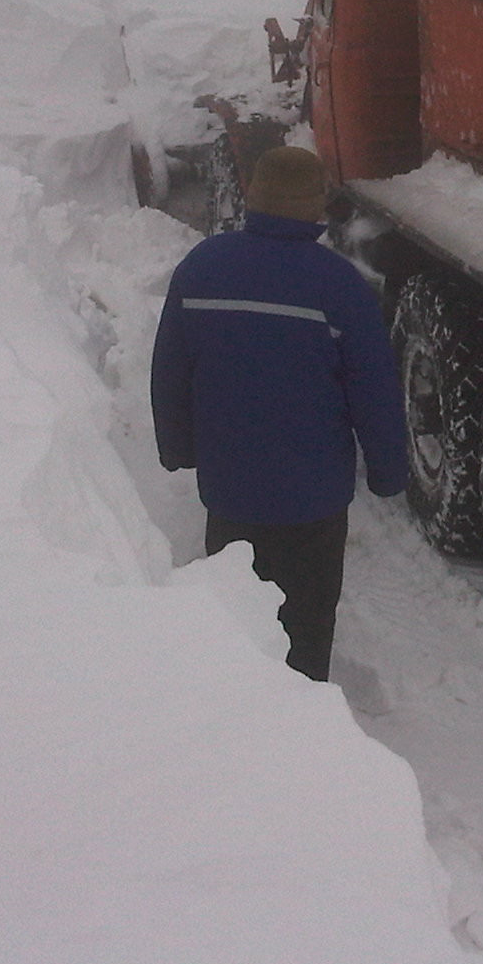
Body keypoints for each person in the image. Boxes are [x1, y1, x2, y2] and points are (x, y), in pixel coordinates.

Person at [149, 146, 407, 681]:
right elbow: (374, 392)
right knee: (307, 618)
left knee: (238, 609)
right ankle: (303, 715)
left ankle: (242, 705)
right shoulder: (339, 287)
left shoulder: (202, 268)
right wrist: (387, 471)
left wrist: (178, 447)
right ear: (315, 209)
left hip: (229, 488)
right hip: (313, 499)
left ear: (253, 197)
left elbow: (170, 370)